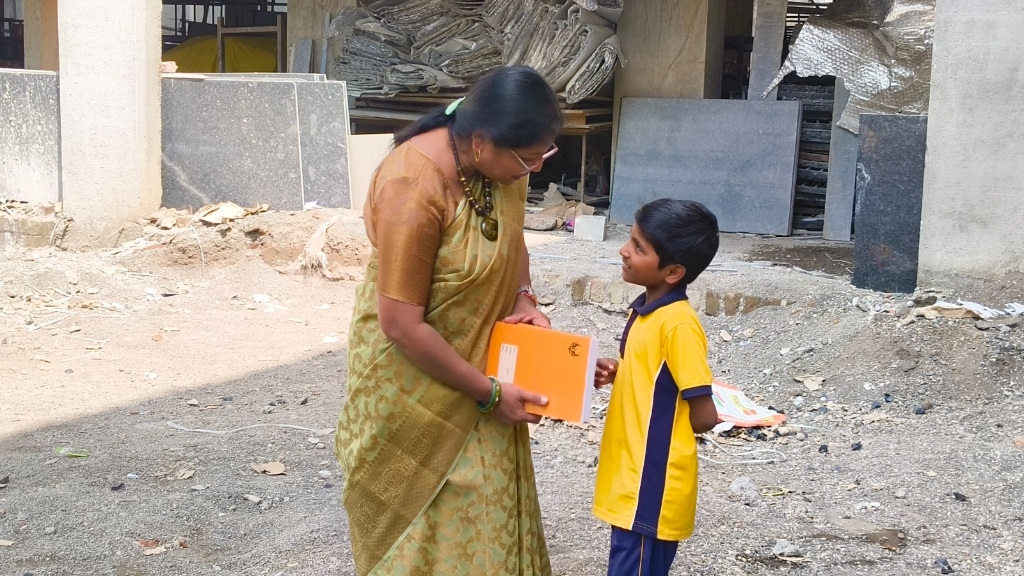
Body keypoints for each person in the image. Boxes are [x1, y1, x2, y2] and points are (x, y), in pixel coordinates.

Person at [334, 66, 563, 576]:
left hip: (483, 376)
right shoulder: (412, 186)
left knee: (486, 515)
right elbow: (401, 324)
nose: (534, 172)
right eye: (527, 160)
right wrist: (487, 392)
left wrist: (524, 299)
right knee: (430, 527)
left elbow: (511, 238)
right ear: (482, 142)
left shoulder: (500, 168)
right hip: (414, 383)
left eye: (543, 157)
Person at [591, 199, 721, 576]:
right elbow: (655, 374)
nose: (624, 250)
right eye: (630, 240)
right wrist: (620, 371)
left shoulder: (678, 325)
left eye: (638, 247)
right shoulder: (646, 311)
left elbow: (705, 415)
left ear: (674, 272)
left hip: (652, 481)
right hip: (632, 475)